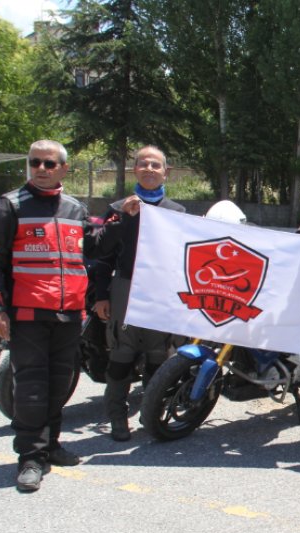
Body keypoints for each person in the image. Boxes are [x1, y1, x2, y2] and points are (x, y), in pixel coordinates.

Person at [0, 140, 96, 492]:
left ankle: (52, 445)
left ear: (63, 168)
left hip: (69, 314)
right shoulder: (8, 206)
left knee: (60, 383)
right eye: (35, 163)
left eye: (49, 163)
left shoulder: (76, 209)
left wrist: (128, 219)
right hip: (27, 313)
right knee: (30, 386)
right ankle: (30, 457)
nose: (41, 169)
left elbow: (97, 245)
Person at [92, 146, 189, 442]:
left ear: (165, 172)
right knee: (122, 354)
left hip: (162, 292)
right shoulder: (117, 208)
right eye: (143, 164)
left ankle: (154, 413)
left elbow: (187, 260)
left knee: (158, 355)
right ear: (135, 169)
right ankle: (118, 418)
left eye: (155, 165)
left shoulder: (178, 213)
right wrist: (100, 295)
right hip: (126, 287)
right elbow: (100, 254)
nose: (149, 168)